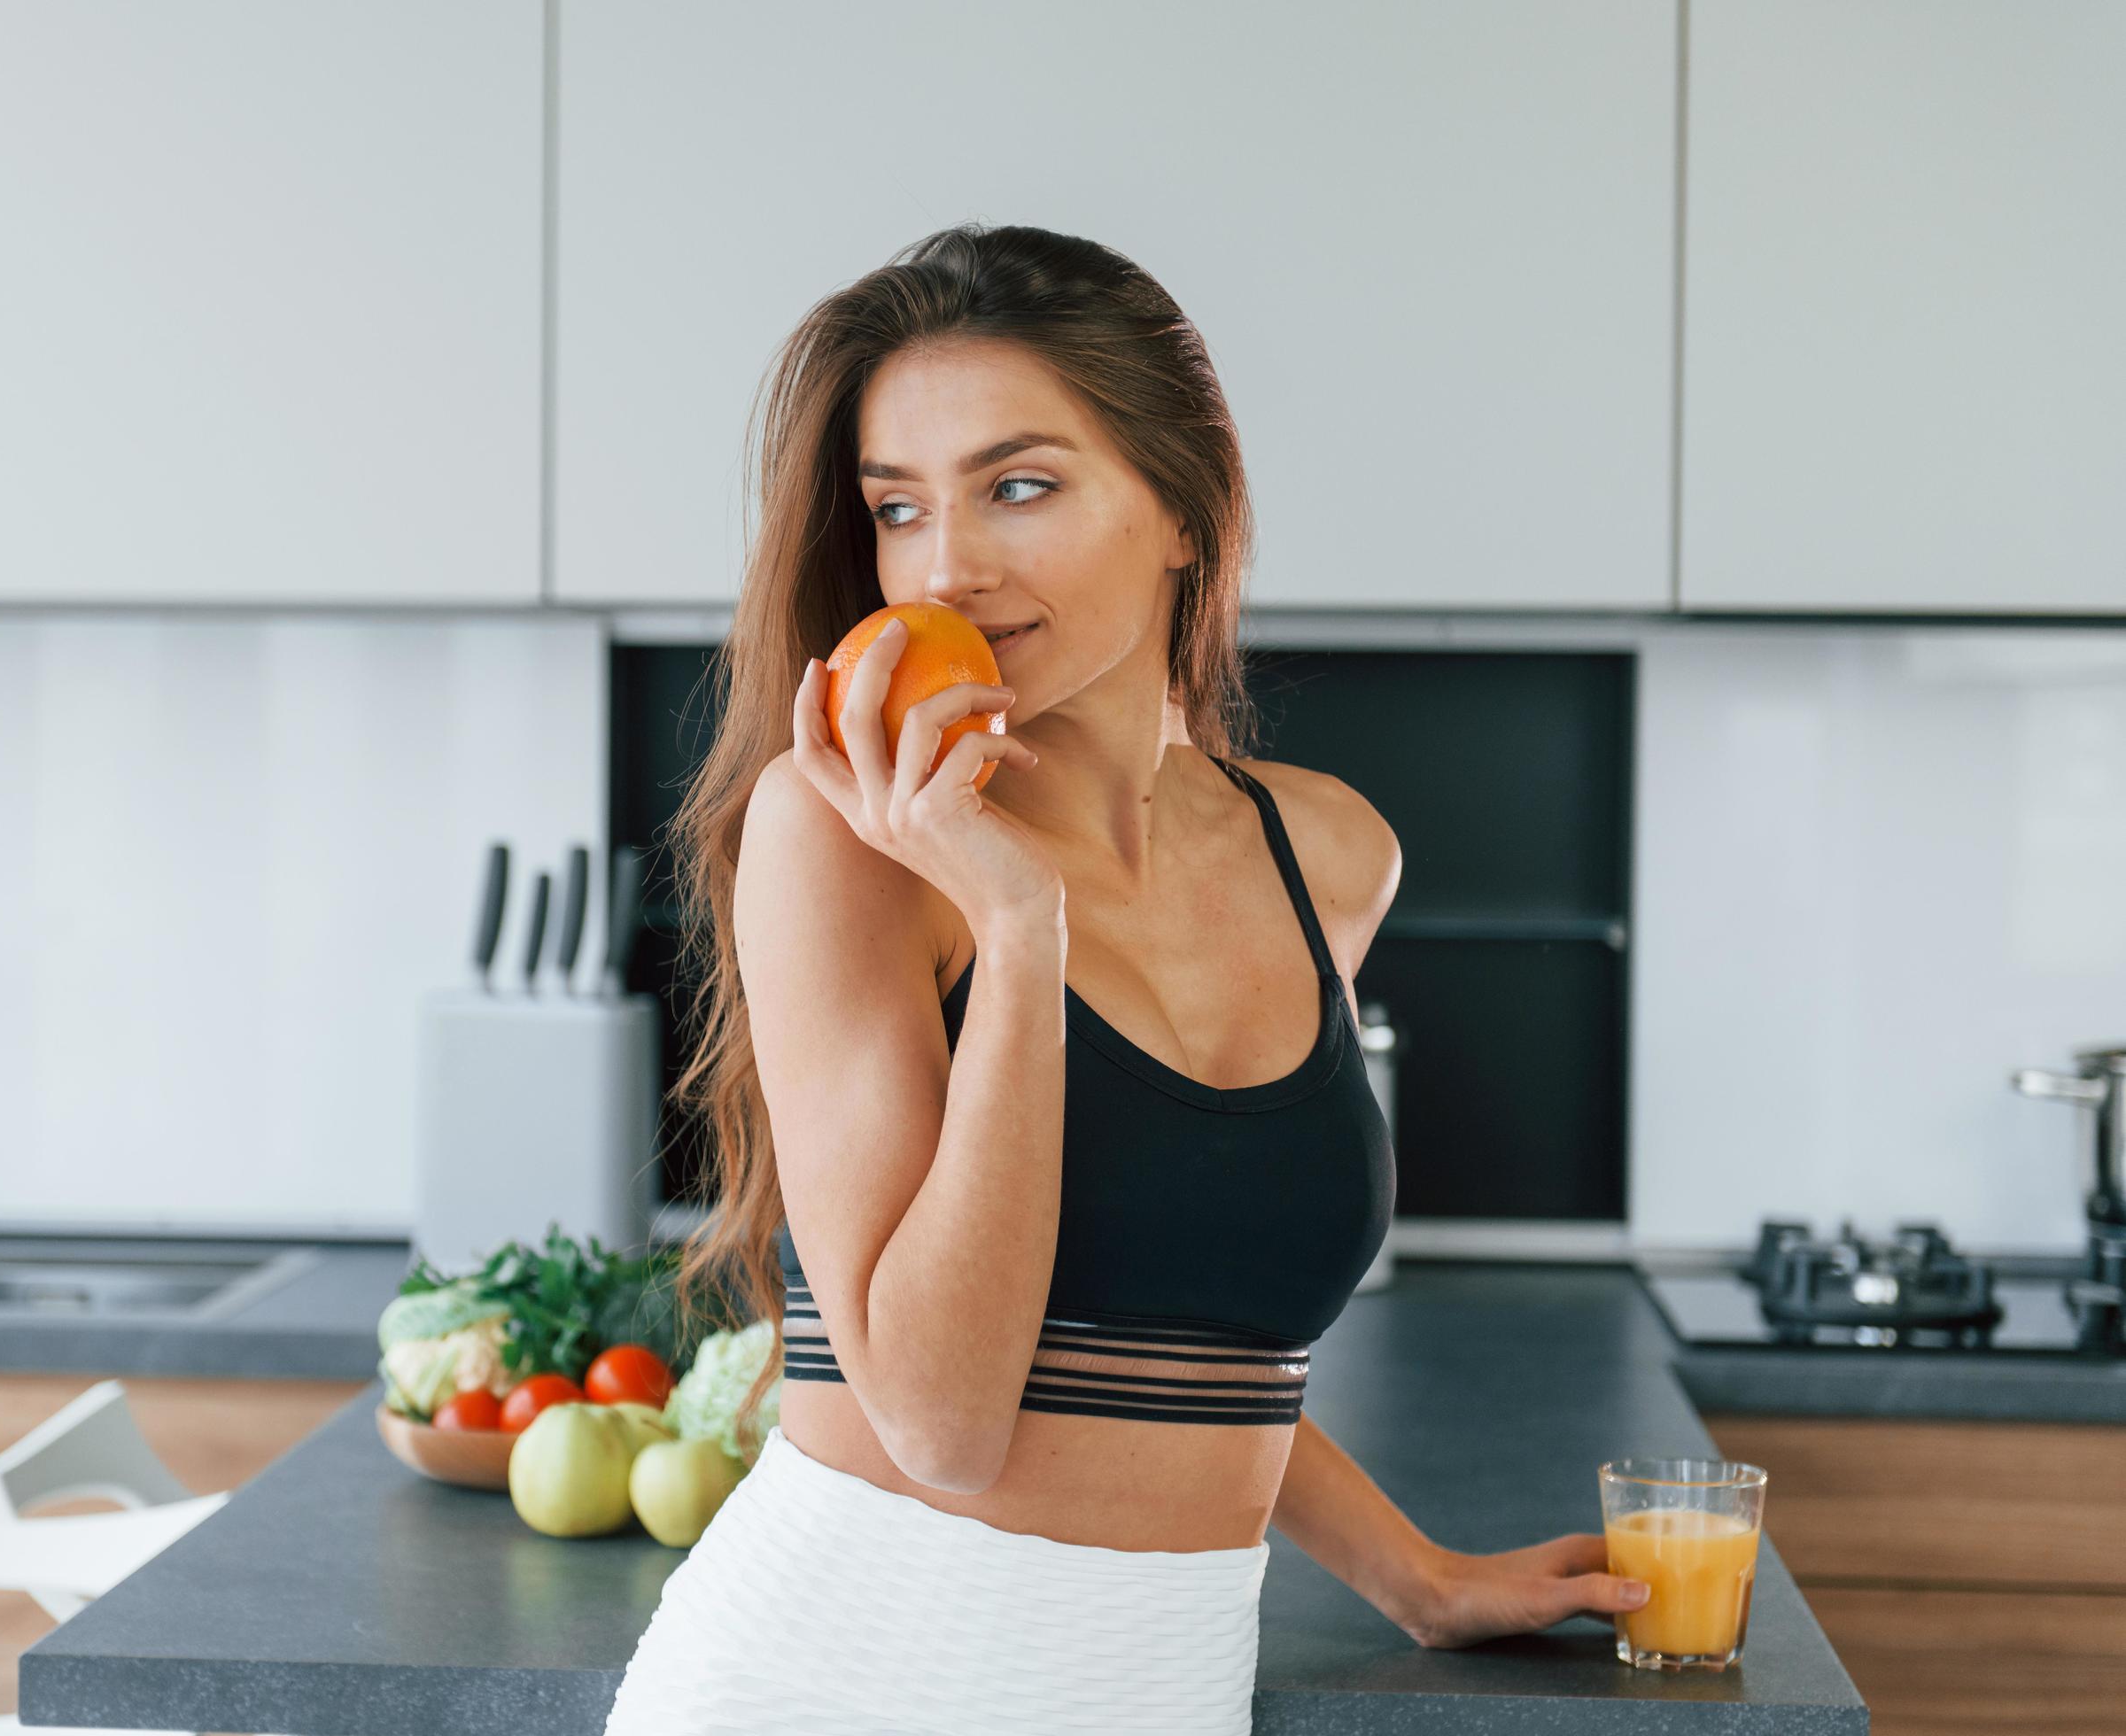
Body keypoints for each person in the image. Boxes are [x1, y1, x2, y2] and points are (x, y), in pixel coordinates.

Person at [602, 222, 1649, 1736]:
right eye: (900, 506)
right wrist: (1020, 932)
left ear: (1184, 507)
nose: (949, 563)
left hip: (1160, 1694)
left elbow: (1199, 1334)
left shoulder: (1328, 856)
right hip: (832, 1679)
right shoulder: (846, 843)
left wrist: (1419, 1578)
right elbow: (947, 1424)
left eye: (1019, 485)